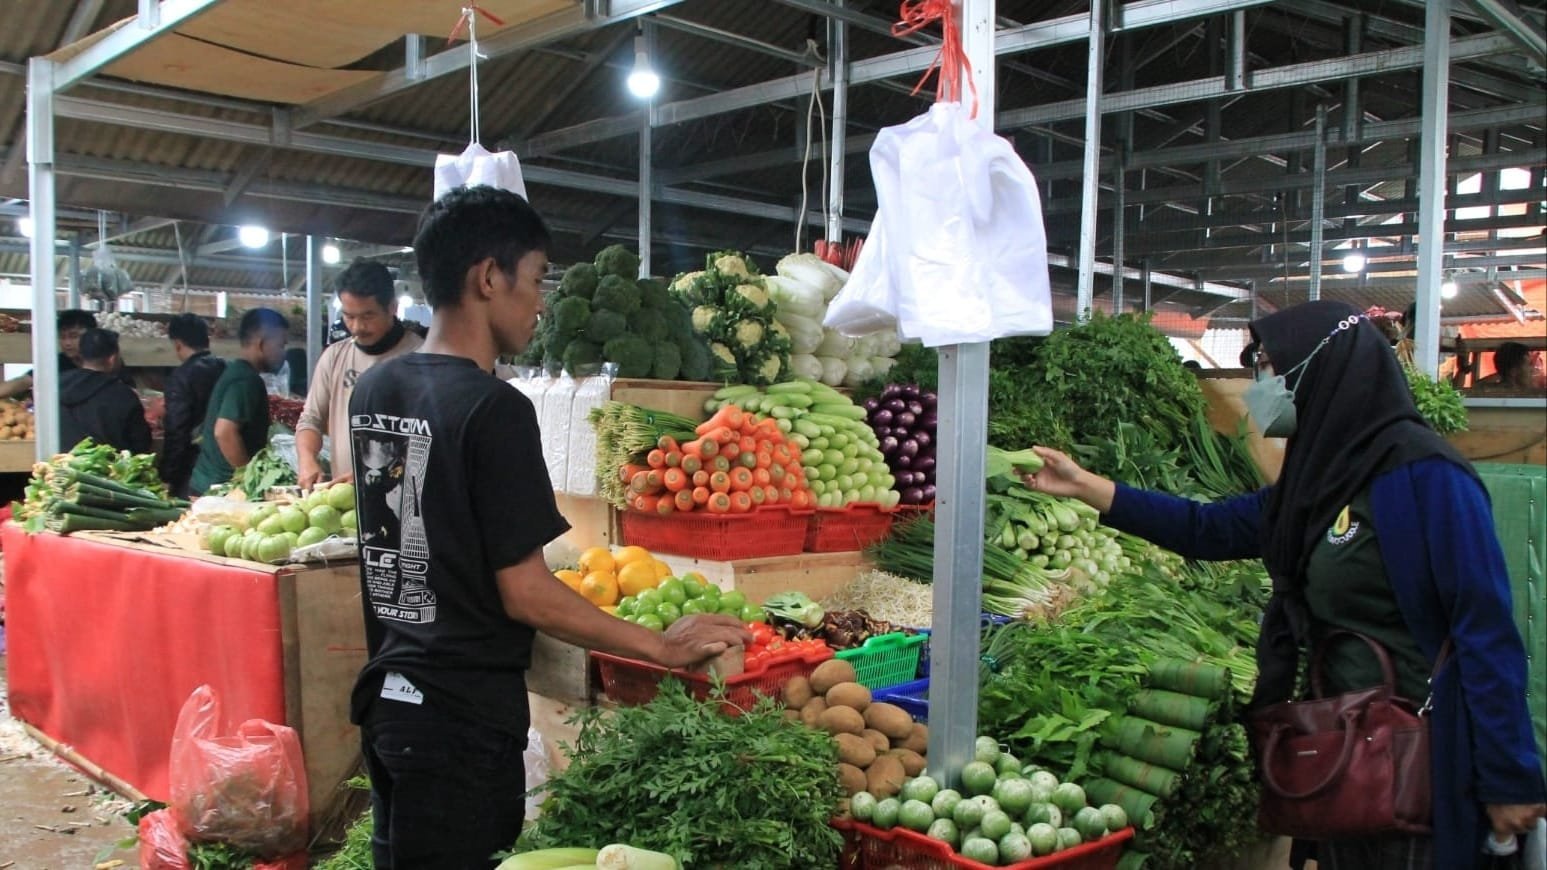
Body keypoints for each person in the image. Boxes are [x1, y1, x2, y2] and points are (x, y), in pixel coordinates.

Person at [1024, 300, 1545, 870]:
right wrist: (1084, 485)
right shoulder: (1321, 481)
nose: (1260, 383)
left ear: (1319, 371)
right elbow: (1208, 529)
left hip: (1420, 762)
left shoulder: (1426, 481)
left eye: (1269, 365)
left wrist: (1508, 775)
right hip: (1350, 753)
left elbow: (1485, 632)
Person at [347, 185, 749, 869]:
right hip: (461, 719)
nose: (541, 301)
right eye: (535, 279)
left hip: (391, 700)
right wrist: (659, 648)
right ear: (487, 277)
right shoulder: (492, 408)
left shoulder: (376, 389)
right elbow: (525, 593)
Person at [295, 261, 423, 490]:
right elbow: (310, 420)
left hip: (403, 498)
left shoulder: (422, 356)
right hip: (345, 502)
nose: (356, 327)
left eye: (367, 316)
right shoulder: (334, 357)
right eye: (348, 316)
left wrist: (381, 475)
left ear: (392, 307)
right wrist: (306, 460)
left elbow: (433, 436)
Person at [189, 308, 288, 495]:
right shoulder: (246, 381)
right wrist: (248, 479)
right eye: (281, 345)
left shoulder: (237, 371)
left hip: (207, 483)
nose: (283, 353)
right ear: (262, 344)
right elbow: (224, 432)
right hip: (219, 490)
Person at [159, 314, 226, 497]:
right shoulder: (225, 368)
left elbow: (177, 431)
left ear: (178, 344)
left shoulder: (181, 378)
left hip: (194, 469)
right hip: (226, 462)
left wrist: (167, 475)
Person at [57, 328, 152, 454]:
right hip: (108, 469)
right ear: (112, 359)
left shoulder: (56, 386)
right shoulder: (123, 395)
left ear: (81, 356)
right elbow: (141, 444)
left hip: (62, 467)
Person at [0, 309, 99, 399]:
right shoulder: (58, 362)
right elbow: (23, 381)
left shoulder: (104, 360)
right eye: (62, 337)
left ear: (92, 335)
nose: (67, 343)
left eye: (74, 336)